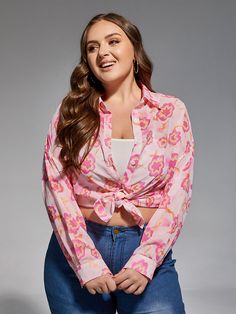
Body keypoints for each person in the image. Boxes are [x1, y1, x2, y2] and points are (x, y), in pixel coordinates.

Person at [42, 12, 194, 314]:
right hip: (77, 251)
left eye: (113, 41)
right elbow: (56, 187)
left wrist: (146, 260)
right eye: (92, 47)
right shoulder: (71, 111)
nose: (103, 53)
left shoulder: (170, 111)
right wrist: (85, 260)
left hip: (146, 246)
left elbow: (179, 191)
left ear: (134, 50)